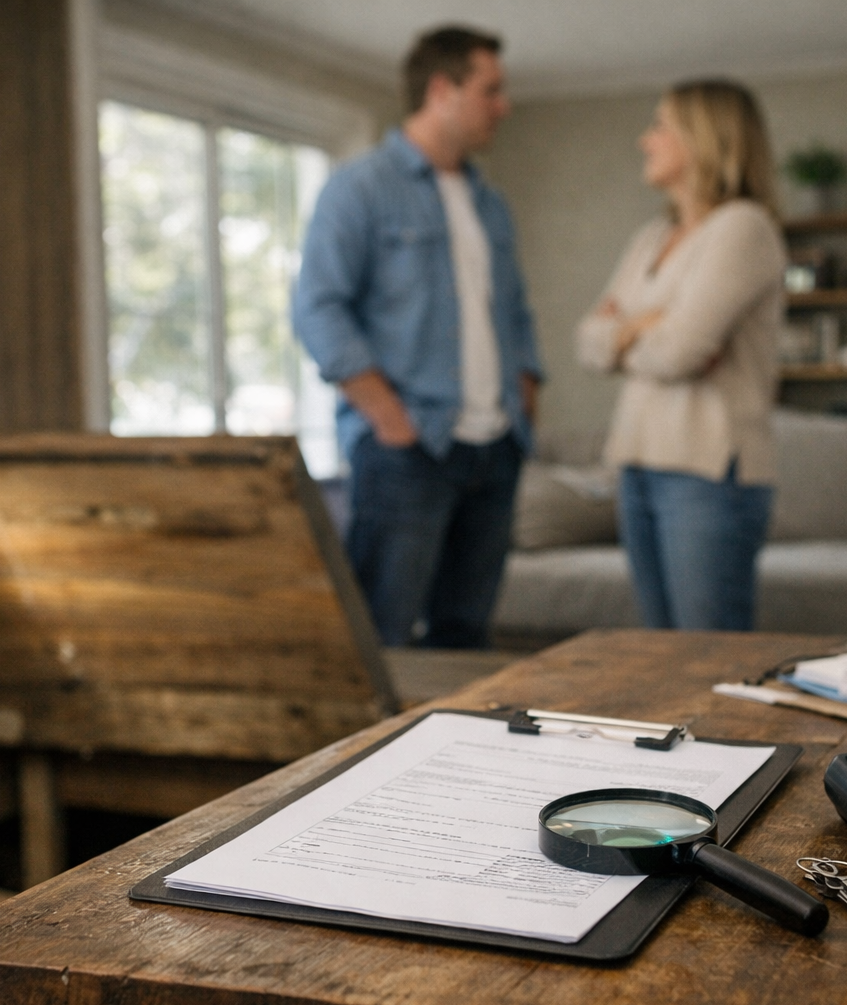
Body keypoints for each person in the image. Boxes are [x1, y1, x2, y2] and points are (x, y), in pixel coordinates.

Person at [293, 25, 542, 649]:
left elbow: (513, 311)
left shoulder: (492, 203)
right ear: (441, 89)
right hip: (408, 451)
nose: (503, 106)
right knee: (382, 636)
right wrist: (388, 417)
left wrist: (527, 388)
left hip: (494, 449)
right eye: (491, 90)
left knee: (465, 638)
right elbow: (317, 307)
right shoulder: (360, 187)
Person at [576, 80, 786, 631]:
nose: (646, 140)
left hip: (708, 470)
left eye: (660, 126)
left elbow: (681, 352)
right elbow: (587, 342)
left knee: (705, 661)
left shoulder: (743, 227)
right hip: (637, 461)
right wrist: (639, 331)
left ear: (704, 139)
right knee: (660, 656)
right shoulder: (651, 237)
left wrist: (626, 331)